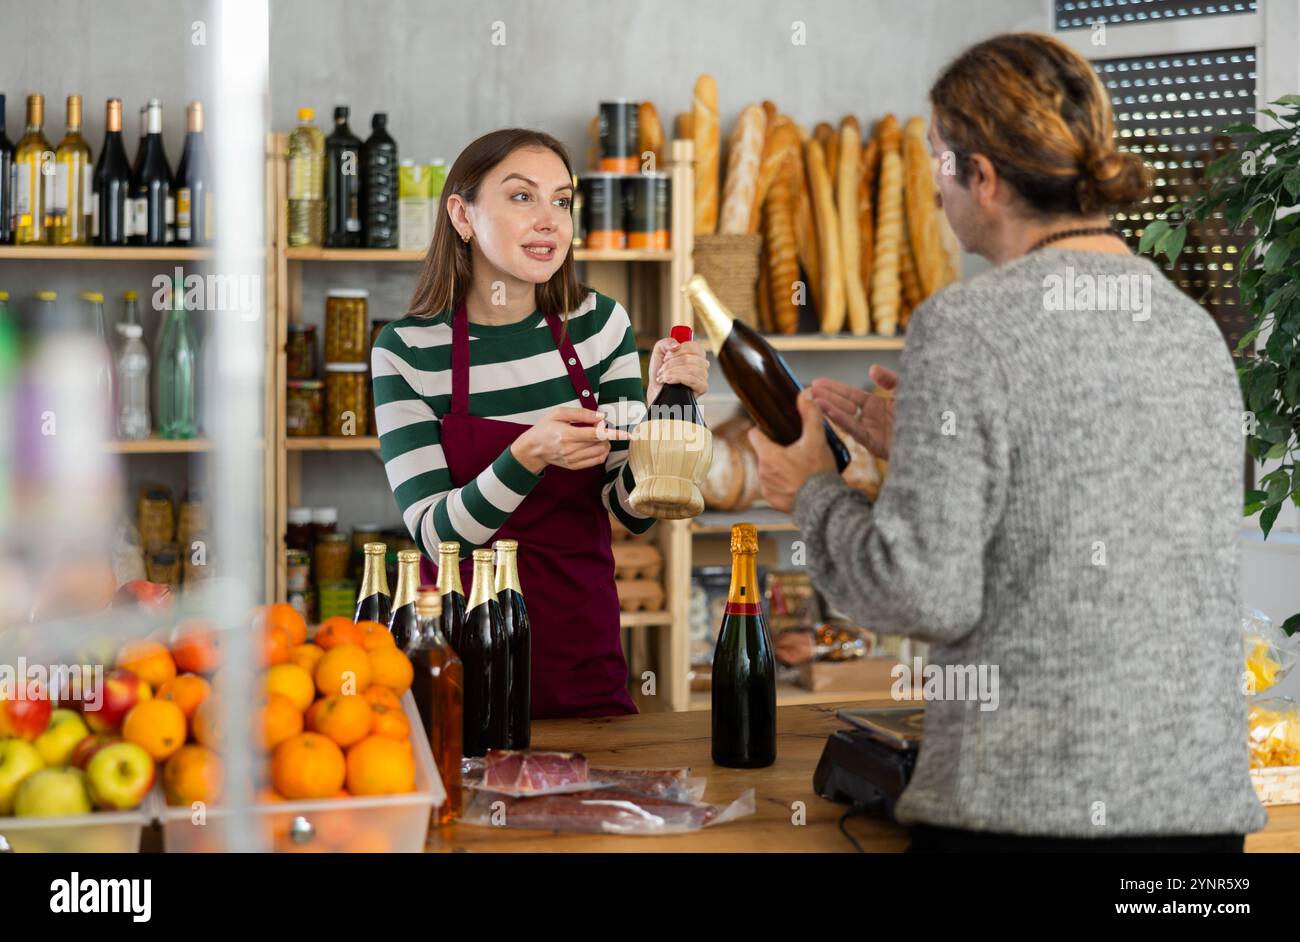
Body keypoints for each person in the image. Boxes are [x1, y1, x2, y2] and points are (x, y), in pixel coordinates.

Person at [749, 32, 1267, 852]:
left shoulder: (968, 326)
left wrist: (812, 491)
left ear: (981, 176)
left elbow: (922, 594)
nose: (933, 188)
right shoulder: (1189, 326)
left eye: (936, 161)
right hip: (1198, 820)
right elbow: (1086, 496)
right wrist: (926, 445)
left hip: (1028, 815)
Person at [372, 128, 708, 718]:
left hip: (580, 644)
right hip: (458, 651)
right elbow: (436, 535)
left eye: (561, 200)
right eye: (522, 197)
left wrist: (667, 410)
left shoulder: (598, 325)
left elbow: (631, 511)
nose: (550, 219)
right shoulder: (406, 351)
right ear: (462, 214)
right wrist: (527, 455)